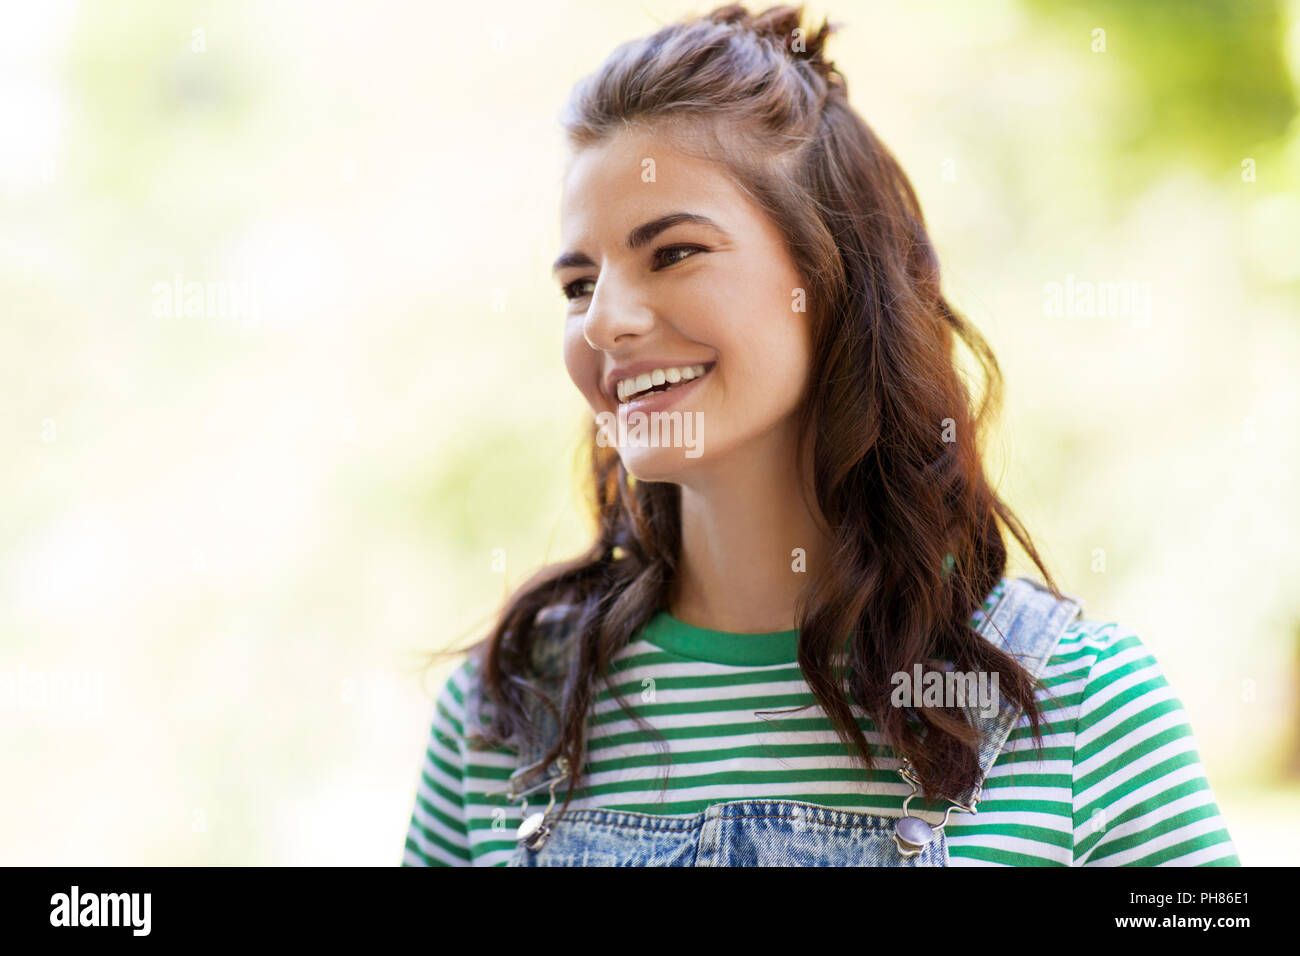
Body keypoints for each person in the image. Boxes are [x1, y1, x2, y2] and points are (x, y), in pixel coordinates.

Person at [402, 2, 1240, 866]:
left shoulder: (1082, 704)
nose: (605, 321)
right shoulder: (509, 711)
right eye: (579, 284)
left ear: (832, 279)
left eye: (674, 252)